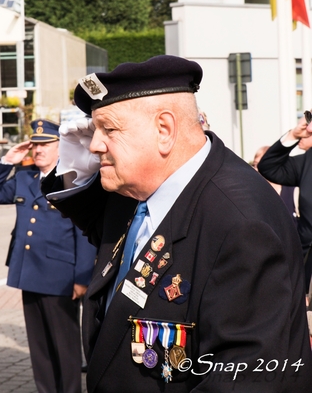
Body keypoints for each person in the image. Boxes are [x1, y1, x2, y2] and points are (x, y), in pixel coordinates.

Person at [44, 55, 312, 392]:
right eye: (95, 128)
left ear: (164, 129)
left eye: (109, 129)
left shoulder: (240, 223)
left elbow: (240, 379)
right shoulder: (138, 190)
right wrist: (74, 166)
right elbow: (94, 222)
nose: (96, 144)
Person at [0, 119, 97, 393]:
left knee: (65, 347)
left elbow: (83, 232)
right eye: (35, 144)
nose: (39, 150)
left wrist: (82, 277)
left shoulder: (70, 177)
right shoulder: (25, 177)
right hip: (29, 272)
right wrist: (8, 160)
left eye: (46, 144)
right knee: (39, 347)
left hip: (60, 276)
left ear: (60, 146)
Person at [257, 114, 312, 292]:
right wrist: (293, 135)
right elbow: (269, 167)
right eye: (308, 119)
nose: (308, 128)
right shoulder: (307, 162)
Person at [252, 145, 297, 222]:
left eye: (261, 165)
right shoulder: (252, 192)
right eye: (254, 165)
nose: (256, 169)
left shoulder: (294, 191)